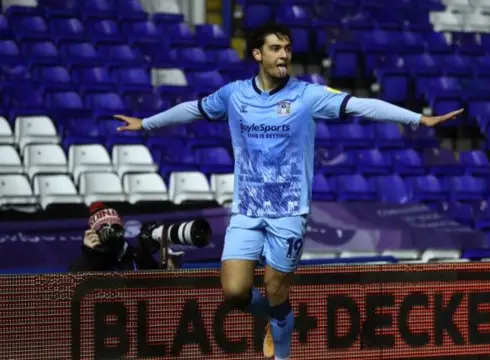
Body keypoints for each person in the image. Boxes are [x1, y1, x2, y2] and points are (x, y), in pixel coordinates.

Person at [114, 22, 463, 360]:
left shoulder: (307, 96)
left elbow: (360, 105)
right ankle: (275, 318)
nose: (284, 56)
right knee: (235, 291)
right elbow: (193, 110)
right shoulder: (233, 95)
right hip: (247, 211)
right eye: (275, 49)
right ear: (257, 54)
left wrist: (417, 119)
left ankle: (282, 353)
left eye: (287, 49)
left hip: (289, 212)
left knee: (277, 290)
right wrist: (147, 123)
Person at [68, 202, 183, 272]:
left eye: (115, 227)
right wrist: (88, 254)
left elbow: (160, 286)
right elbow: (73, 289)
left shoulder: (139, 256)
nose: (112, 233)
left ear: (122, 229)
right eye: (104, 229)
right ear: (95, 233)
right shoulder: (90, 259)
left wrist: (170, 260)